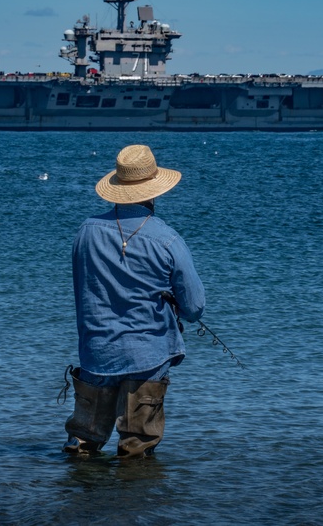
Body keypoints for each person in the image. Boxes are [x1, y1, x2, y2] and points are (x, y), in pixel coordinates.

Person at [64, 144, 205, 458]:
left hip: (96, 352)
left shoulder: (85, 231)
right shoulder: (167, 239)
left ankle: (79, 503)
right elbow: (195, 308)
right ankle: (134, 506)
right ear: (154, 190)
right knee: (136, 452)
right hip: (147, 356)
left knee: (82, 447)